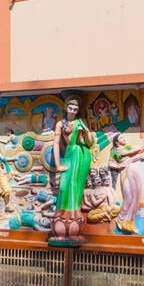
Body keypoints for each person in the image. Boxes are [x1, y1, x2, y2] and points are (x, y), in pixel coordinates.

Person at [51, 97, 93, 230]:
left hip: (82, 154)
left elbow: (90, 143)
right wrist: (58, 165)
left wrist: (85, 131)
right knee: (64, 186)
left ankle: (75, 215)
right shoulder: (60, 124)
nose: (73, 111)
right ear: (66, 108)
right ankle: (62, 214)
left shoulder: (81, 121)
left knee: (77, 185)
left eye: (75, 109)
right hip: (70, 154)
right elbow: (56, 144)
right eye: (70, 108)